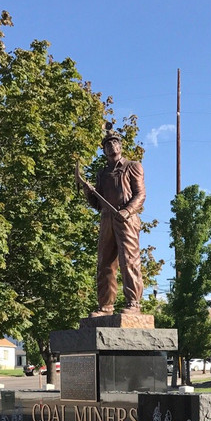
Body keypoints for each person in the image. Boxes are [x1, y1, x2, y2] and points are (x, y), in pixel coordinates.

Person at [75, 125, 146, 316]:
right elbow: (98, 205)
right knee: (105, 263)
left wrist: (128, 211)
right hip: (107, 219)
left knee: (129, 260)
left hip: (126, 219)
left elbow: (140, 194)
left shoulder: (133, 166)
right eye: (107, 144)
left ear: (120, 146)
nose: (112, 146)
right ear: (104, 150)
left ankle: (133, 303)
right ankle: (105, 306)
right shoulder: (102, 174)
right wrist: (88, 192)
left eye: (115, 143)